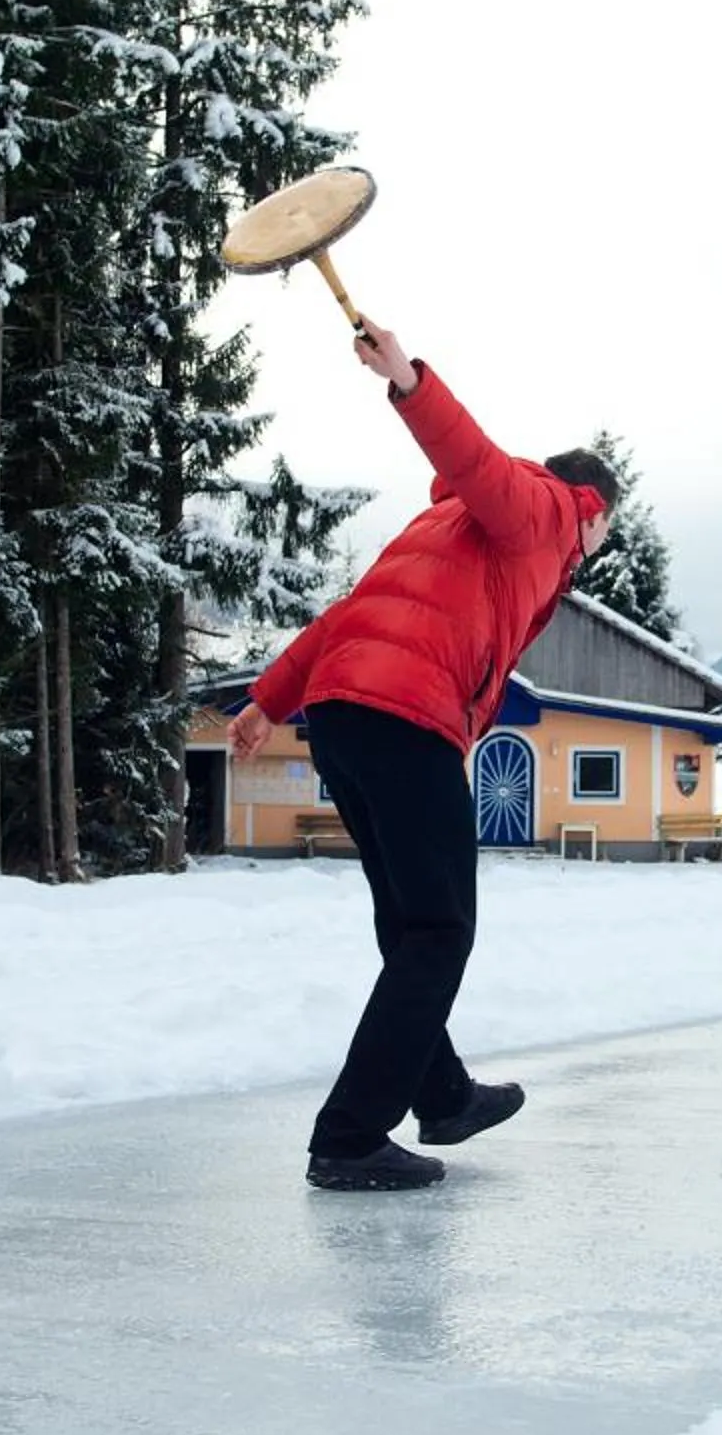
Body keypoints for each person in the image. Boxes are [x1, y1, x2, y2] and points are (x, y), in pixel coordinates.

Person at [228, 320, 617, 1191]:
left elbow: (345, 619)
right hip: (405, 719)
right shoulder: (546, 513)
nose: (595, 556)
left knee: (410, 924)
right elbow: (476, 457)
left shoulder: (445, 527)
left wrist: (267, 700)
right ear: (596, 511)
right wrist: (408, 378)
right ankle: (350, 1134)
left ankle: (440, 1094)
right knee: (441, 929)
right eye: (605, 538)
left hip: (343, 713)